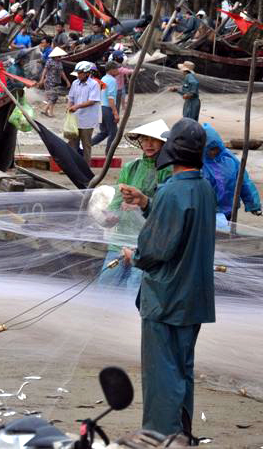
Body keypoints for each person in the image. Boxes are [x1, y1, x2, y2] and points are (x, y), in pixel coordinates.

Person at [119, 118, 216, 439]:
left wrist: (136, 256)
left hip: (166, 297)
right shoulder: (202, 188)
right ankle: (181, 434)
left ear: (170, 150)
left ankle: (161, 435)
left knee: (163, 371)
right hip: (194, 297)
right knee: (182, 367)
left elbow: (154, 250)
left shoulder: (174, 191)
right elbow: (178, 226)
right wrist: (147, 203)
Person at [98, 120, 171, 288]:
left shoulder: (167, 171)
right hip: (120, 239)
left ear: (163, 143)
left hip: (147, 244)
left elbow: (165, 207)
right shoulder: (131, 167)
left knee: (134, 291)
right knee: (105, 286)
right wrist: (110, 214)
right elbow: (117, 199)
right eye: (145, 139)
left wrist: (141, 204)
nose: (149, 144)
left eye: (153, 140)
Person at [201, 123, 261, 220]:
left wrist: (253, 204)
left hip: (230, 211)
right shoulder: (196, 161)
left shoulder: (229, 159)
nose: (214, 152)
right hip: (206, 213)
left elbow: (243, 181)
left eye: (216, 149)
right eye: (210, 149)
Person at [66, 61, 101, 164]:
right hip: (75, 119)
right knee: (72, 144)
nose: (78, 75)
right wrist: (69, 106)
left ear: (87, 73)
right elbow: (71, 98)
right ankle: (72, 166)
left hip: (87, 120)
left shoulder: (94, 84)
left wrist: (77, 106)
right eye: (78, 72)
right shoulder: (75, 83)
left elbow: (92, 101)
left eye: (80, 72)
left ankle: (86, 167)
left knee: (86, 145)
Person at [92, 61, 120, 149]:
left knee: (104, 132)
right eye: (116, 69)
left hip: (100, 108)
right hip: (107, 109)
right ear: (111, 70)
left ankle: (87, 145)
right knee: (113, 133)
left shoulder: (103, 78)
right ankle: (109, 154)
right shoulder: (112, 80)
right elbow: (110, 97)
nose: (118, 71)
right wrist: (115, 113)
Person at [37, 46, 69, 117]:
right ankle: (47, 111)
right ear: (55, 56)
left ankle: (47, 111)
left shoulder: (59, 62)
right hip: (49, 81)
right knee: (53, 97)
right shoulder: (49, 61)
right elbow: (45, 70)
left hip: (57, 81)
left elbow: (62, 73)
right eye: (59, 56)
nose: (60, 57)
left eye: (60, 56)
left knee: (54, 97)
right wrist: (42, 79)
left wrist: (67, 81)